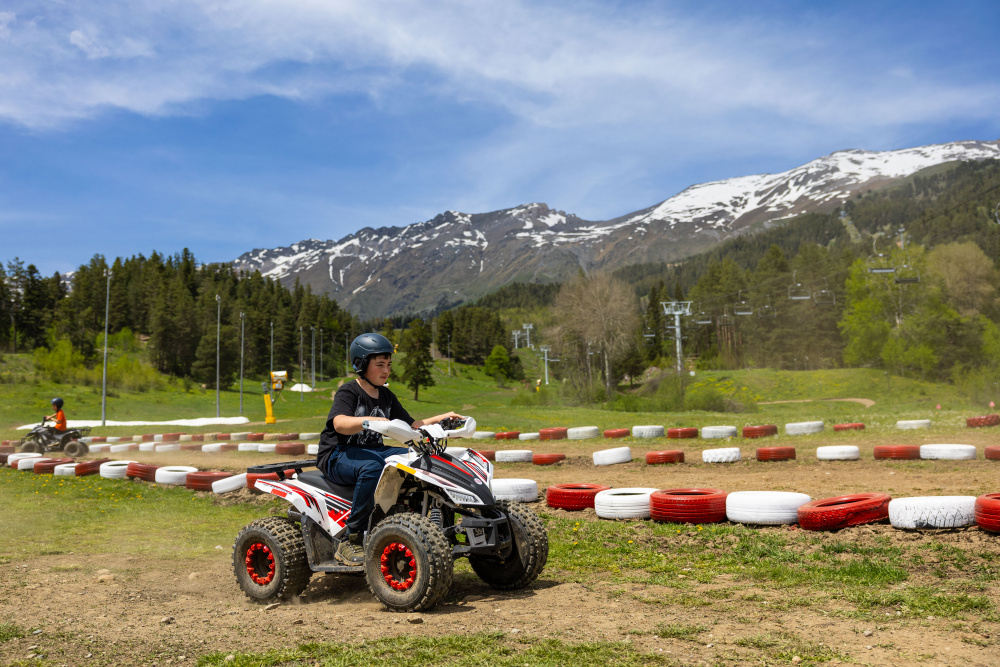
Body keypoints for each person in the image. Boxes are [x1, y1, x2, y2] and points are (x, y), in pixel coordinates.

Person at [317, 333, 461, 565]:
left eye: (389, 365)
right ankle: (350, 539)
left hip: (370, 452)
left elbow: (412, 425)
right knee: (373, 467)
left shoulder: (386, 395)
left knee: (417, 456)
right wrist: (367, 421)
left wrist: (443, 418)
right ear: (361, 365)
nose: (386, 371)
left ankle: (430, 524)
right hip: (337, 454)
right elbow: (339, 424)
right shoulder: (349, 391)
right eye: (380, 365)